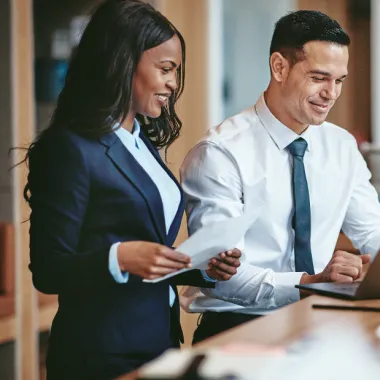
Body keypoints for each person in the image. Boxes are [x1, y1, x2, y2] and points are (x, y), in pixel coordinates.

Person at [24, 1, 240, 379]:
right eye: (165, 69)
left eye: (176, 71)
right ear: (124, 63)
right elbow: (48, 268)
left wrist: (202, 267)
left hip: (159, 343)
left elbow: (146, 250)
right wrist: (119, 257)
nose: (173, 84)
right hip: (100, 355)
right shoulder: (71, 148)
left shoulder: (141, 144)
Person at [180, 10, 380, 343]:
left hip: (323, 324)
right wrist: (312, 282)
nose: (331, 93)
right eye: (319, 77)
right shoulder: (220, 153)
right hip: (238, 330)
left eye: (339, 80)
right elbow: (224, 277)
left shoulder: (341, 146)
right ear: (279, 67)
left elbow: (375, 233)